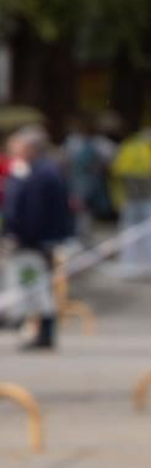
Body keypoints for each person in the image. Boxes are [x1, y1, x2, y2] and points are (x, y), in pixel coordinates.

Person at [2, 126, 73, 350]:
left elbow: (35, 211)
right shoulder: (35, 170)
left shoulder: (41, 173)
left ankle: (44, 333)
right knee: (36, 285)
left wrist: (21, 236)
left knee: (39, 286)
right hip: (36, 239)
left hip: (36, 241)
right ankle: (38, 330)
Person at [110, 124, 151, 279]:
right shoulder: (148, 150)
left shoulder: (126, 148)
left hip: (130, 198)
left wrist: (119, 198)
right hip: (146, 198)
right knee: (149, 234)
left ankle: (129, 267)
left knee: (129, 234)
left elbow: (116, 172)